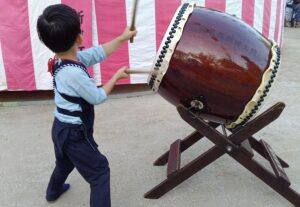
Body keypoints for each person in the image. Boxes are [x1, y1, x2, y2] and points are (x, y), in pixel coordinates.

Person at [36, 4, 136, 207]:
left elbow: (98, 53)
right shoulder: (74, 73)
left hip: (60, 128)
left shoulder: (62, 60)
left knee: (64, 163)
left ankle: (53, 192)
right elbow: (97, 97)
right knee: (100, 171)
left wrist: (122, 38)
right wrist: (116, 76)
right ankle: (54, 191)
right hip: (74, 134)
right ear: (79, 38)